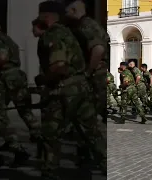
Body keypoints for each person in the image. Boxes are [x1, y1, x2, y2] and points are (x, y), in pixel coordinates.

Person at [35, 1, 106, 178]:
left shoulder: (54, 33)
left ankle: (49, 172)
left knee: (50, 135)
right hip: (81, 88)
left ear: (47, 16)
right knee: (92, 134)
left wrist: (44, 79)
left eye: (41, 15)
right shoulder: (70, 32)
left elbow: (59, 66)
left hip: (64, 90)